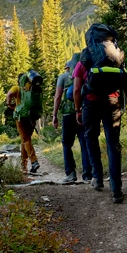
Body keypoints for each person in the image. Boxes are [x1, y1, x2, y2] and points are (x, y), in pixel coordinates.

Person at [74, 23, 127, 204]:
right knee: (113, 144)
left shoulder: (84, 57)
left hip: (90, 104)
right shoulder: (117, 56)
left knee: (91, 138)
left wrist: (78, 110)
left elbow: (77, 89)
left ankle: (97, 179)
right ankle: (116, 190)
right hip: (113, 103)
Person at [53, 53, 93, 184]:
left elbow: (58, 97)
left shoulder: (63, 77)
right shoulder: (86, 74)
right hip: (83, 112)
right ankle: (88, 175)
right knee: (84, 143)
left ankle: (70, 174)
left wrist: (54, 115)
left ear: (69, 66)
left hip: (68, 115)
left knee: (66, 144)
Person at [11, 70, 44, 174]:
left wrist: (10, 105)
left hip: (21, 117)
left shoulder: (16, 88)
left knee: (25, 139)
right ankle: (24, 164)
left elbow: (8, 96)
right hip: (33, 116)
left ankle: (34, 162)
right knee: (25, 139)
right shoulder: (33, 87)